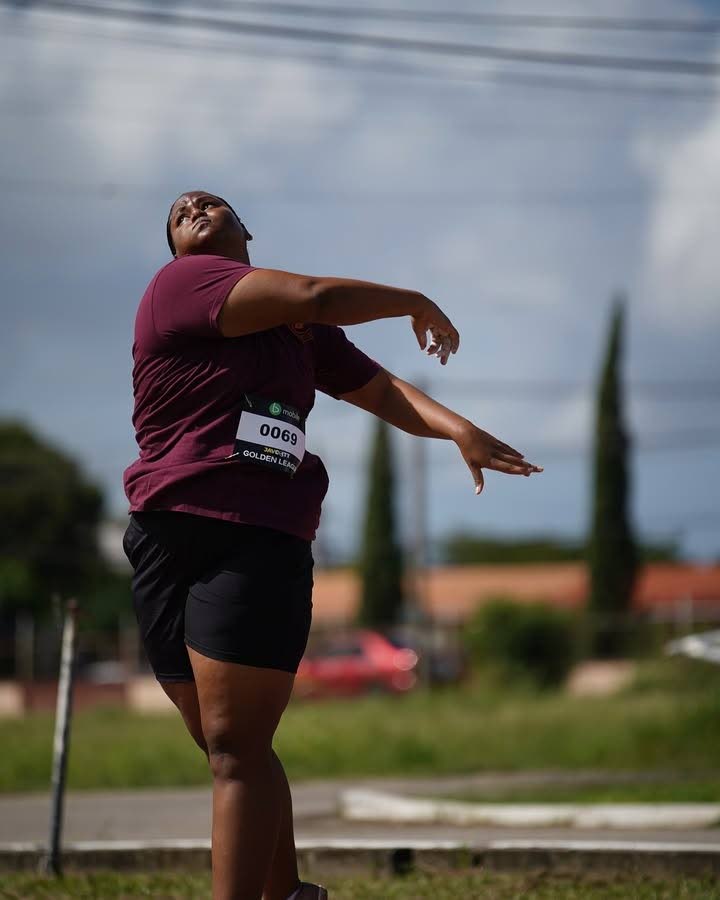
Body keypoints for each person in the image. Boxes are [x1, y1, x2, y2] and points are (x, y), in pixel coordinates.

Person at [122, 191, 542, 900]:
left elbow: (377, 390)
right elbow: (315, 293)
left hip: (258, 536)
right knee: (231, 748)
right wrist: (413, 299)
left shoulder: (300, 333)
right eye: (177, 213)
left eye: (210, 201)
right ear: (176, 251)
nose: (191, 204)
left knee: (235, 750)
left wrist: (456, 429)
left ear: (246, 228)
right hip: (164, 532)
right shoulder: (181, 285)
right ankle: (293, 895)